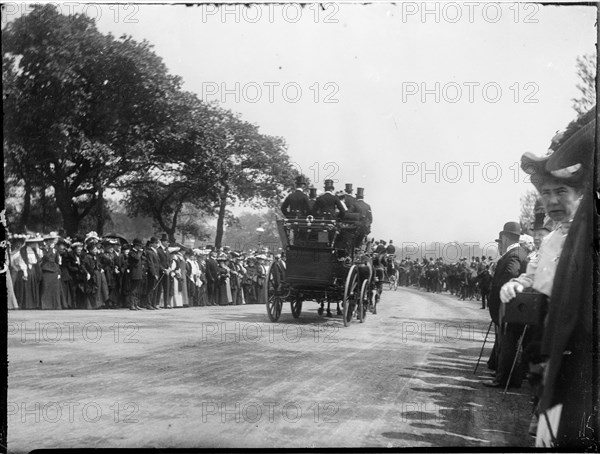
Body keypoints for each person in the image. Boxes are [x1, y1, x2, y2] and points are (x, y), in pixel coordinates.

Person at [500, 109, 594, 446]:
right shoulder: (553, 238)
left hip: (581, 337)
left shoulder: (587, 235)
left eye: (561, 193)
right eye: (547, 194)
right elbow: (533, 275)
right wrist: (516, 285)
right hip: (551, 328)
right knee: (544, 386)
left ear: (580, 194)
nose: (552, 201)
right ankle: (540, 417)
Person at [483, 221, 529, 388]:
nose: (499, 244)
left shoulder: (514, 254)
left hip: (508, 307)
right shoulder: (518, 252)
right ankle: (510, 378)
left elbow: (510, 274)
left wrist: (500, 290)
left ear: (505, 238)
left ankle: (503, 380)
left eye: (500, 240)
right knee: (509, 343)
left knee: (508, 343)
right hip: (510, 307)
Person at [40, 233, 63, 310]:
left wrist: (59, 272)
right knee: (46, 288)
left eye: (52, 242)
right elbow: (45, 258)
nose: (51, 244)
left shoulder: (55, 251)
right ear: (46, 243)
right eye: (49, 242)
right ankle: (46, 305)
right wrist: (50, 250)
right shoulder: (42, 250)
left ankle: (56, 305)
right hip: (46, 270)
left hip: (54, 270)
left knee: (55, 289)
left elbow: (57, 261)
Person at [156, 234, 172, 309]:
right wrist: (163, 269)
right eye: (166, 242)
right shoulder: (158, 250)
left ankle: (166, 303)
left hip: (167, 272)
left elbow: (169, 261)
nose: (167, 243)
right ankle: (157, 303)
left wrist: (169, 268)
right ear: (163, 242)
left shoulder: (167, 250)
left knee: (167, 288)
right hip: (160, 272)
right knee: (159, 288)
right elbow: (158, 262)